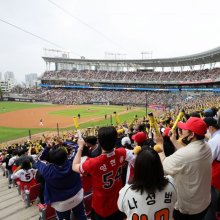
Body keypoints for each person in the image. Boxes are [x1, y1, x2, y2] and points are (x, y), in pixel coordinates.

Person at [72, 126, 136, 220]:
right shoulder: (122, 152)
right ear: (115, 140)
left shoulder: (93, 163)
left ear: (99, 141)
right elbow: (136, 157)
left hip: (101, 207)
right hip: (119, 202)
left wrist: (80, 147)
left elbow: (74, 166)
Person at [158, 117, 212, 220]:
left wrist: (160, 145)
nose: (181, 131)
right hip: (203, 202)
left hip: (188, 210)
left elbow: (163, 167)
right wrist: (174, 141)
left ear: (192, 134)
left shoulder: (185, 155)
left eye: (184, 129)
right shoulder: (206, 146)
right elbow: (188, 154)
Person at [117, 147, 177, 220]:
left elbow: (122, 209)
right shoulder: (171, 183)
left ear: (137, 168)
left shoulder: (126, 191)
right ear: (159, 166)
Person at [36, 145, 87, 220]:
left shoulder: (47, 170)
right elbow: (77, 148)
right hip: (77, 196)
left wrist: (47, 147)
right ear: (66, 156)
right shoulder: (73, 161)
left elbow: (38, 159)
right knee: (81, 216)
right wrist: (63, 143)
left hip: (61, 204)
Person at [203, 117, 220, 220]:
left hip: (217, 174)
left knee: (213, 201)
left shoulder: (215, 140)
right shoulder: (216, 137)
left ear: (211, 127)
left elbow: (208, 159)